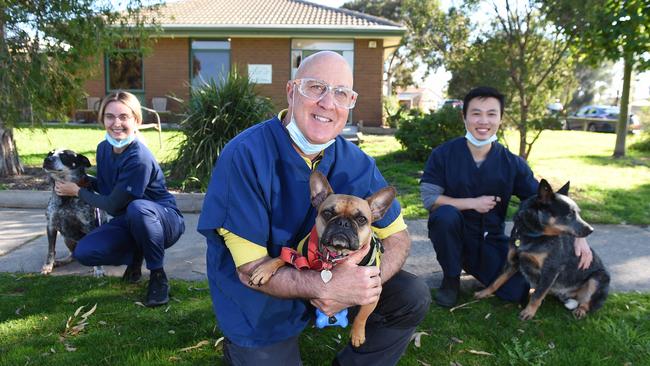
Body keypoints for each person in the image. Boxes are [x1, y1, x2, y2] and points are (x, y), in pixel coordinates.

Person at [198, 51, 430, 365]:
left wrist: (362, 286)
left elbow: (398, 239)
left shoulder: (356, 162)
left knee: (411, 295)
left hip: (340, 276)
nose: (328, 103)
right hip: (261, 299)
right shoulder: (245, 155)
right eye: (316, 88)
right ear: (292, 91)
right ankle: (247, 347)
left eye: (341, 93)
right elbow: (251, 271)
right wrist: (329, 286)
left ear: (350, 102)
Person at [421, 86, 593, 308]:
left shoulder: (512, 163)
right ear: (464, 117)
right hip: (454, 235)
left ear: (500, 118)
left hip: (489, 239)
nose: (483, 121)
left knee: (517, 291)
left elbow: (547, 203)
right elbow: (430, 199)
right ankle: (451, 278)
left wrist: (579, 235)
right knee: (444, 216)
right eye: (476, 113)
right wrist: (471, 203)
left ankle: (478, 267)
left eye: (491, 114)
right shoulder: (443, 154)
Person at [55, 91, 185, 307]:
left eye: (124, 116)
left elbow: (113, 204)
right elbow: (109, 186)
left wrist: (77, 191)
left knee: (138, 209)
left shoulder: (139, 158)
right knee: (84, 252)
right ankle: (136, 255)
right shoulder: (103, 148)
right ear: (102, 119)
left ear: (136, 120)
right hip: (129, 221)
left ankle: (157, 275)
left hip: (163, 222)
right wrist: (81, 181)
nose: (116, 123)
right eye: (110, 116)